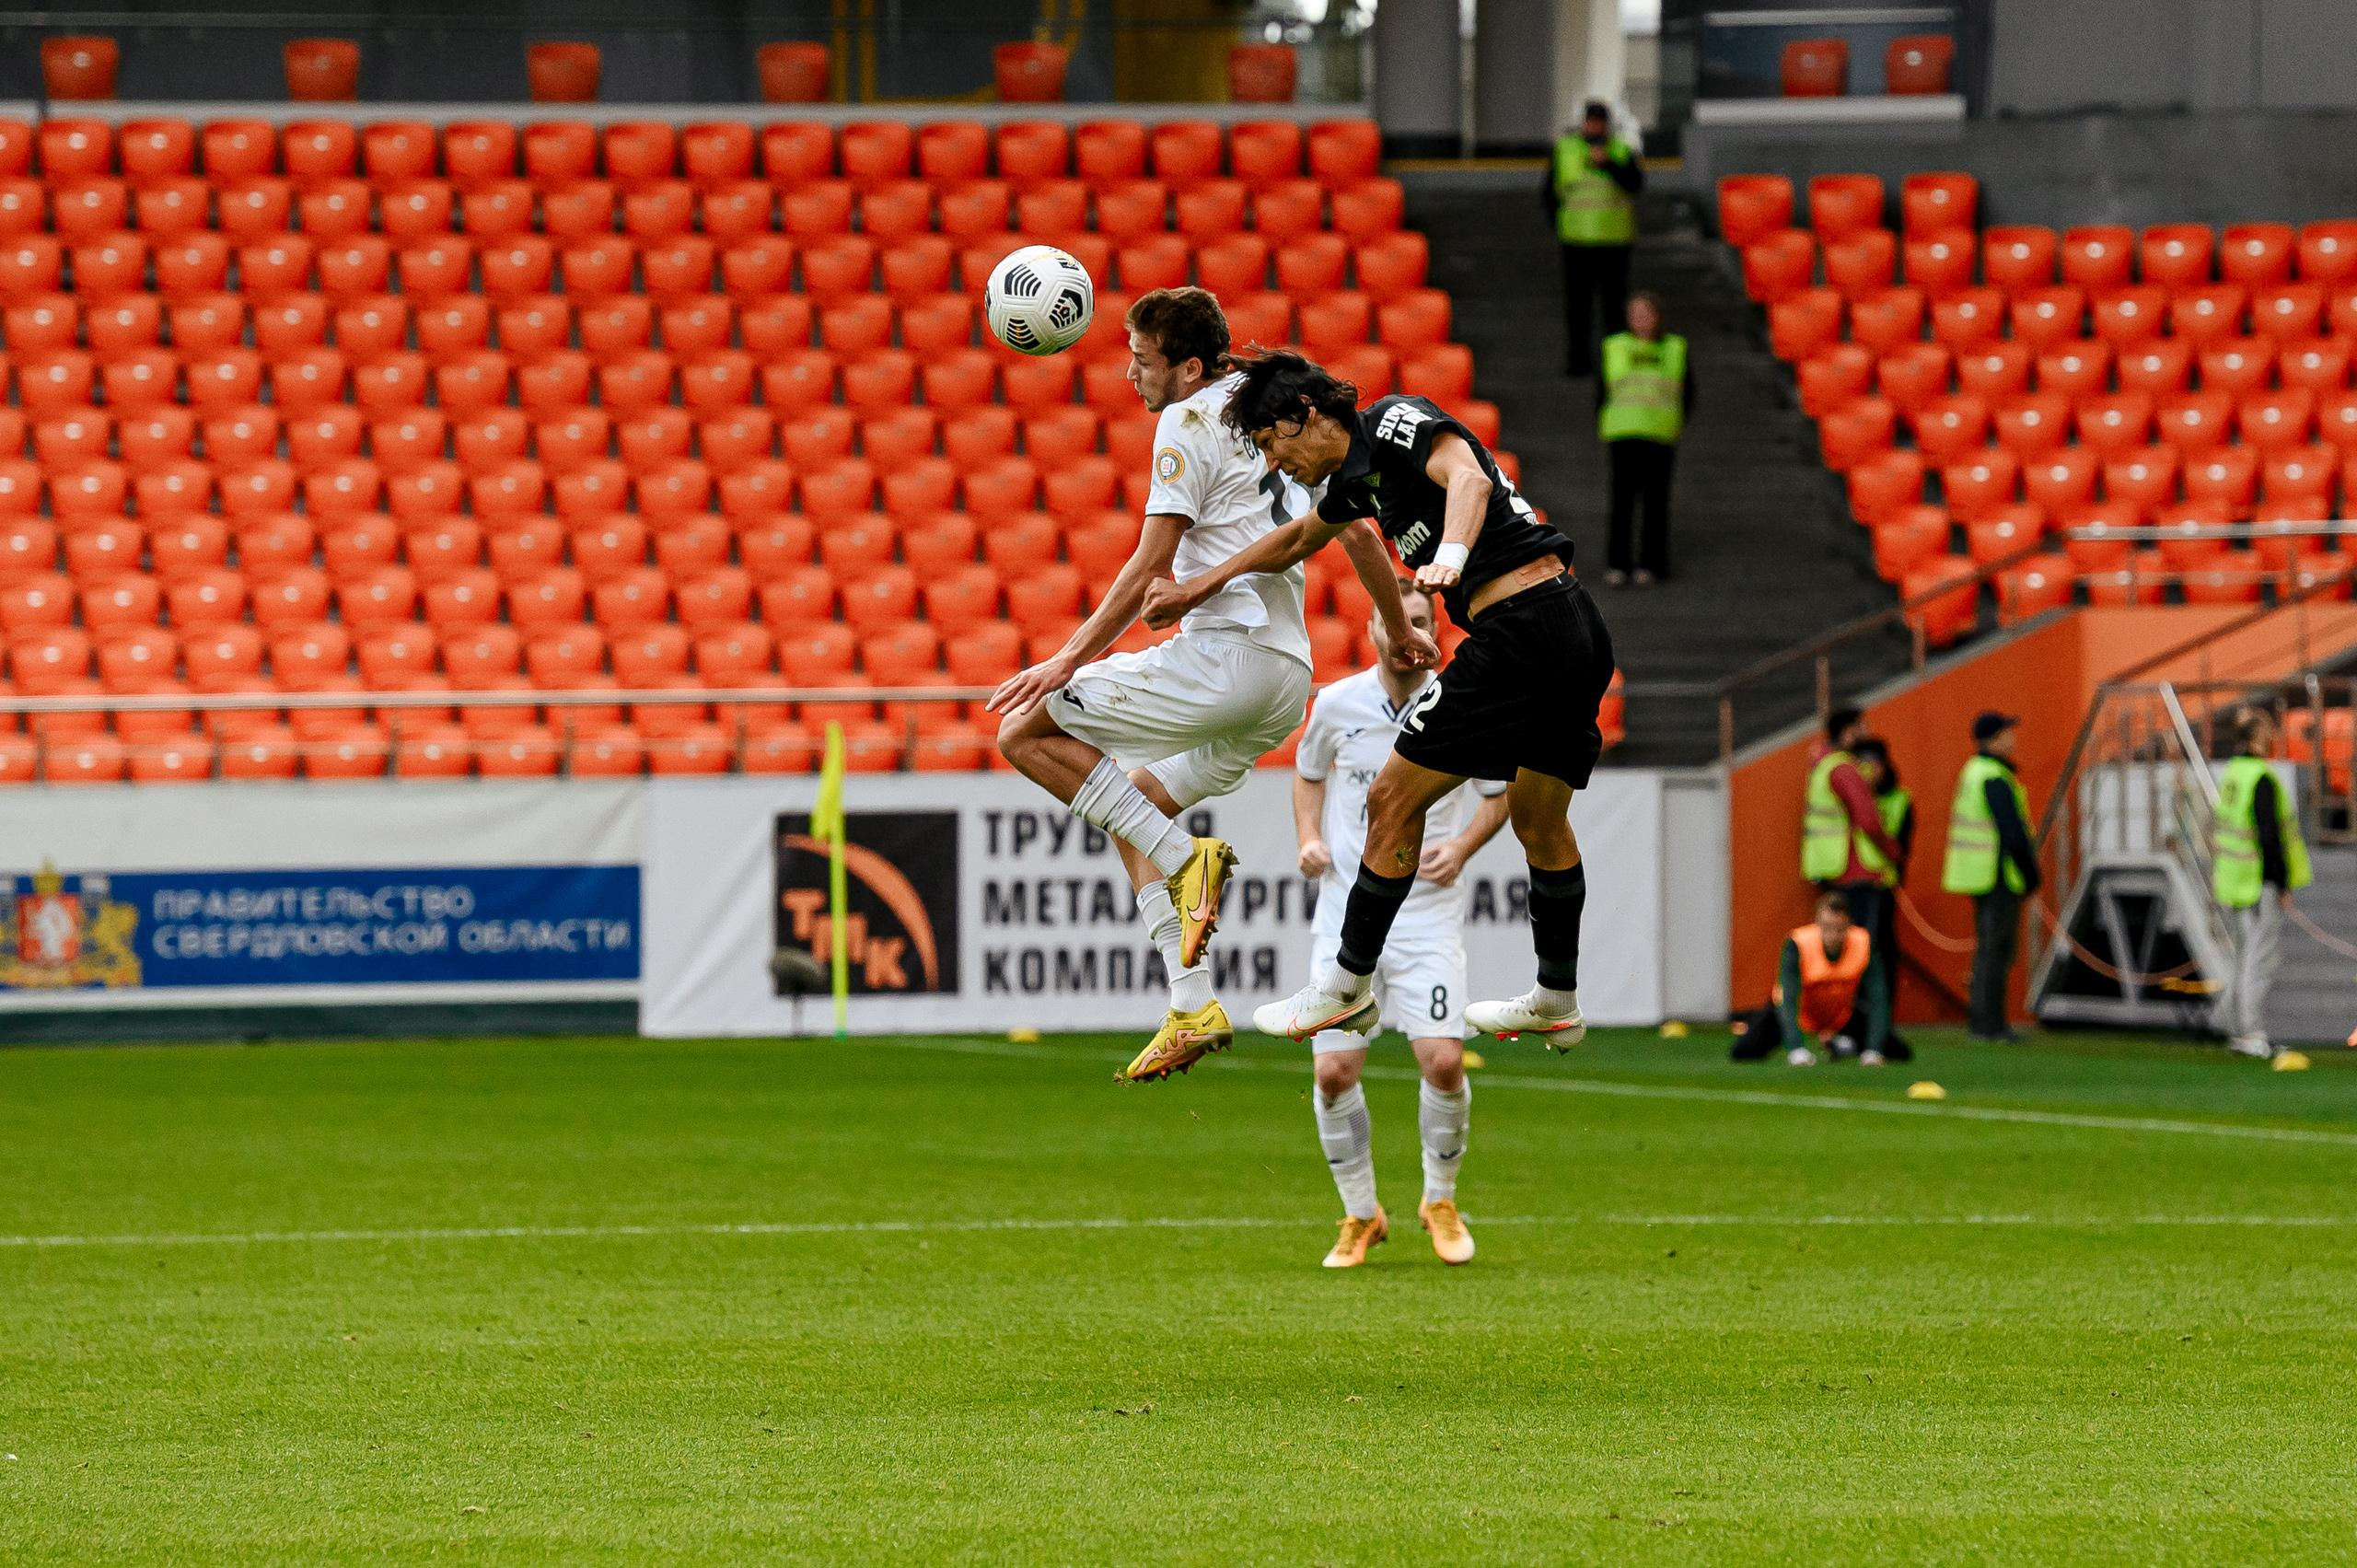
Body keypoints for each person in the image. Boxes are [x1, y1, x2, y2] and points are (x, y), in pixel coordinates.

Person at [992, 290, 1433, 1083]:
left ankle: (1184, 860)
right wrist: (1397, 626)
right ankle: (1190, 1000)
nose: (1130, 373)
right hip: (1284, 680)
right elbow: (1360, 528)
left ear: (1189, 366)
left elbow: (1147, 566)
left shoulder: (1189, 421)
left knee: (1023, 732)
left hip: (1226, 661)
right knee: (1132, 803)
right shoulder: (1273, 412)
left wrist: (1066, 659)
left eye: (1143, 359)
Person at [1142, 349, 1617, 1051]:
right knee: (1538, 820)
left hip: (1519, 627)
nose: (1277, 464)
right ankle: (1558, 996)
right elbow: (1299, 538)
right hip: (1569, 630)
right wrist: (1197, 586)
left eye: (1274, 443)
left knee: (1390, 800)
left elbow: (1467, 479)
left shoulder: (1396, 419)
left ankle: (1343, 986)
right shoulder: (1356, 483)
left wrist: (1451, 555)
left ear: (1305, 414)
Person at [1292, 581, 1511, 1269]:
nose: (1404, 630)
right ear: (1373, 631)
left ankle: (1439, 1198)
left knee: (1443, 1060)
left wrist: (1465, 844)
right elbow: (1307, 774)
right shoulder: (1336, 704)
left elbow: (1499, 797)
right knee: (1332, 1071)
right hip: (1346, 910)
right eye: (1394, 619)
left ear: (1433, 631)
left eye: (1417, 618)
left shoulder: (1462, 703)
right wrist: (1308, 837)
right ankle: (1361, 1213)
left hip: (1423, 914)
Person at [1802, 705, 1904, 1047]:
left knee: (1839, 952)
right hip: (1856, 869)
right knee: (1861, 956)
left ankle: (1840, 1028)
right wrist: (1891, 851)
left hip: (1832, 867)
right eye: (1862, 726)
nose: (1868, 730)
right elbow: (1868, 820)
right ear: (1848, 732)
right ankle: (1859, 1031)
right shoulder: (1844, 769)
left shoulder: (1822, 765)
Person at [2213, 706, 2311, 1060]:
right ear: (2257, 738)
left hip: (2234, 880)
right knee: (2259, 959)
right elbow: (2270, 836)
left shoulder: (2234, 774)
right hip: (2259, 882)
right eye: (2268, 732)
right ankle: (2252, 1032)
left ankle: (2235, 1028)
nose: (2273, 738)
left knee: (2241, 957)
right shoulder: (2262, 779)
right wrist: (2282, 882)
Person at [1939, 711, 2041, 1044]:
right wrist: (2031, 876)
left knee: (1987, 949)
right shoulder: (1994, 776)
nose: (2013, 739)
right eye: (2007, 733)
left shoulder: (1974, 771)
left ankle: (1983, 1023)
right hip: (1996, 874)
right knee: (1997, 949)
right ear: (1994, 739)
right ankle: (1991, 1025)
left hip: (1978, 872)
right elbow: (2012, 832)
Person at [1729, 890, 1896, 1065]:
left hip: (1840, 1014)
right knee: (1743, 1051)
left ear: (1849, 925)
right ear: (1816, 923)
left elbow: (1879, 997)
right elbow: (1788, 997)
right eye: (1827, 927)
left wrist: (1873, 1050)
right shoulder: (1798, 943)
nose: (1833, 936)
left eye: (1839, 929)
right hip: (1801, 1012)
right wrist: (1796, 1048)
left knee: (1896, 1050)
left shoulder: (1864, 942)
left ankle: (1844, 1045)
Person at [1596, 291, 1690, 587]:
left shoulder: (1676, 348)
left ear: (1658, 315)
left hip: (1660, 434)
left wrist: (1675, 422)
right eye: (1634, 313)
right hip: (1624, 433)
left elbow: (1688, 392)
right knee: (1622, 501)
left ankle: (1652, 565)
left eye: (1645, 312)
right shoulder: (1615, 347)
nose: (1639, 319)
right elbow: (1601, 391)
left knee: (1656, 502)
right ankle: (1618, 564)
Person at [1547, 99, 1643, 377]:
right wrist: (1560, 225)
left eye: (1600, 122)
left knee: (1614, 307)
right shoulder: (1565, 149)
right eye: (1592, 121)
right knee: (1578, 306)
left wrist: (1609, 164)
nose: (1596, 126)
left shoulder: (1621, 149)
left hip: (1614, 241)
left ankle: (1614, 362)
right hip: (1577, 242)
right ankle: (1578, 361)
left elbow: (1635, 184)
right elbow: (1551, 193)